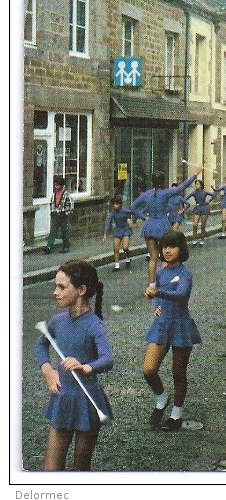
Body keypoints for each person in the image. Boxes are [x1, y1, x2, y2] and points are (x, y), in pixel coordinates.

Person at [35, 260, 114, 471]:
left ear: (81, 290)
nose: (55, 292)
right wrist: (48, 370)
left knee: (80, 468)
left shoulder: (94, 324)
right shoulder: (58, 321)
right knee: (51, 470)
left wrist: (86, 367)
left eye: (62, 287)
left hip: (86, 400)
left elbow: (107, 359)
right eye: (56, 286)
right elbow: (41, 345)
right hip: (62, 398)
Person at [143, 230, 201, 431]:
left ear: (181, 249)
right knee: (149, 370)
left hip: (180, 324)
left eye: (172, 247)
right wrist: (156, 303)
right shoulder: (160, 272)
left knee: (178, 372)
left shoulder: (185, 273)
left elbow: (181, 294)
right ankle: (161, 398)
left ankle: (176, 414)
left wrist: (160, 293)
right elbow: (158, 294)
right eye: (164, 247)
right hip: (162, 324)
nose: (167, 251)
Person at [129, 168, 202, 286]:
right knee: (164, 257)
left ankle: (151, 284)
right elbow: (181, 187)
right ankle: (163, 282)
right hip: (162, 225)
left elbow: (132, 207)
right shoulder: (166, 193)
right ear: (162, 182)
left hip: (149, 225)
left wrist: (143, 217)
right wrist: (195, 174)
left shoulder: (146, 194)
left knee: (152, 257)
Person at [102, 194, 136, 271]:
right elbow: (108, 222)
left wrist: (133, 222)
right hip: (117, 230)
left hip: (126, 230)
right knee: (116, 248)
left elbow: (135, 213)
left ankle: (128, 257)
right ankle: (117, 265)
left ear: (120, 204)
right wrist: (105, 234)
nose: (115, 206)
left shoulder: (125, 211)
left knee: (125, 247)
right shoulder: (113, 213)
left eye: (116, 204)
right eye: (113, 204)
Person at [43, 176, 74, 254]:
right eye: (55, 185)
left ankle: (66, 246)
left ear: (62, 185)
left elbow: (71, 206)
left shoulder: (66, 194)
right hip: (55, 216)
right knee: (53, 232)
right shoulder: (54, 194)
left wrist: (66, 213)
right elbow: (52, 203)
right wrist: (52, 212)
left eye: (57, 185)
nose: (55, 186)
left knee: (64, 232)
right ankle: (49, 247)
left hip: (63, 216)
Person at [184, 180, 215, 246]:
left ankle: (202, 240)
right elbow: (186, 198)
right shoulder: (194, 193)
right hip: (197, 208)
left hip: (204, 208)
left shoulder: (204, 192)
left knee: (203, 226)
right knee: (195, 225)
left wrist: (209, 201)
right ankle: (194, 240)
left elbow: (213, 195)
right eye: (195, 184)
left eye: (197, 184)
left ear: (201, 185)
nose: (196, 185)